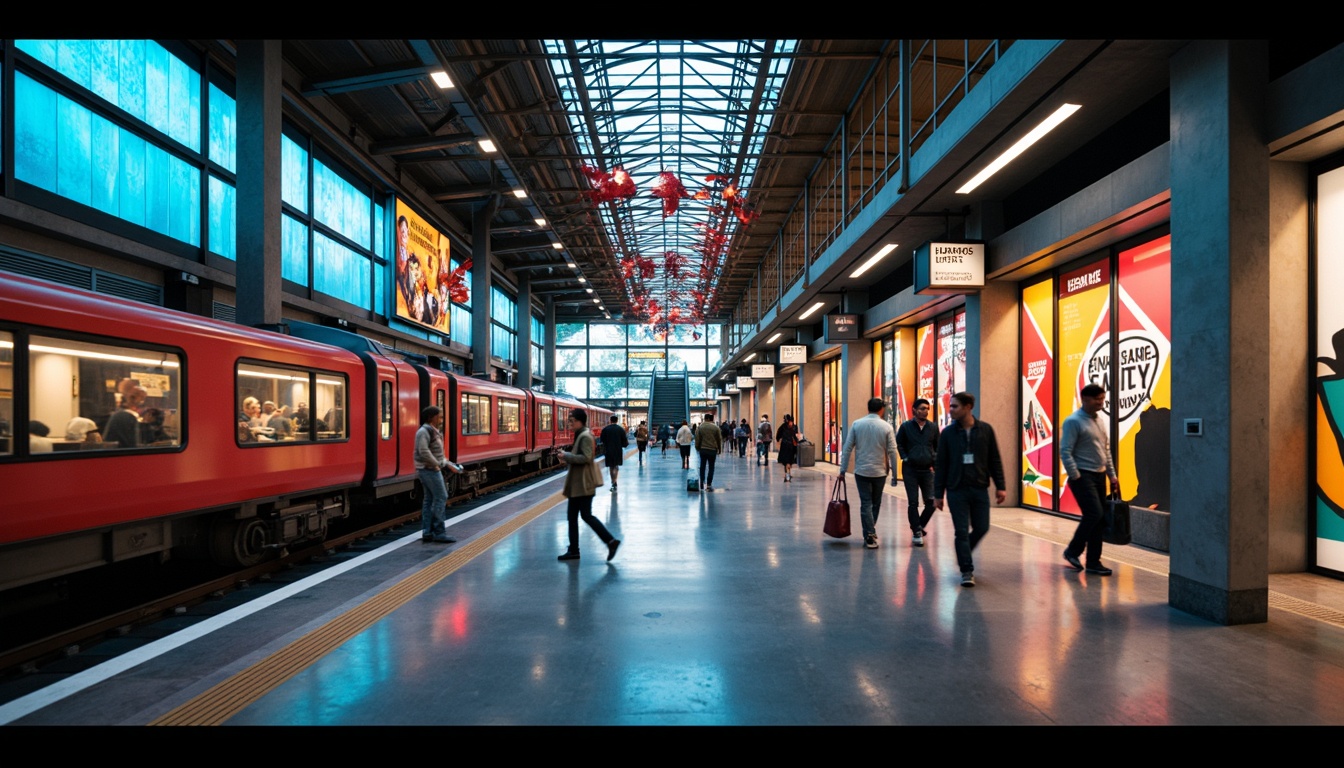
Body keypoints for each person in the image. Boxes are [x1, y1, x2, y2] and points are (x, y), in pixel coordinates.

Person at [934, 392, 1007, 588]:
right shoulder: (948, 433)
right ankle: (967, 569)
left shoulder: (985, 430)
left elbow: (995, 459)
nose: (950, 410)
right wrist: (938, 494)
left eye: (955, 406)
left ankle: (963, 552)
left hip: (979, 487)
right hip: (956, 489)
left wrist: (1001, 486)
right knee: (961, 531)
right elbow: (941, 464)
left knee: (982, 527)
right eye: (950, 406)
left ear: (968, 407)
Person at [1060, 383, 1119, 576]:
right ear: (1085, 399)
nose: (1101, 402)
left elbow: (1106, 449)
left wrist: (1112, 474)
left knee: (1099, 519)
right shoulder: (1073, 421)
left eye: (1102, 398)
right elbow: (1065, 450)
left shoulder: (1099, 421)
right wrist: (1075, 475)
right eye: (1097, 399)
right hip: (1083, 475)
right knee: (1094, 514)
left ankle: (1093, 561)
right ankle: (1072, 551)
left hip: (1099, 474)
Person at [555, 408, 620, 562]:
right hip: (580, 483)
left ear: (579, 421)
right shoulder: (582, 434)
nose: (569, 424)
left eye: (571, 421)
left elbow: (586, 457)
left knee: (583, 515)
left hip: (583, 483)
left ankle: (609, 542)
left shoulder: (584, 436)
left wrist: (566, 456)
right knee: (578, 516)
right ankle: (575, 549)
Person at [838, 397, 901, 549]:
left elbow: (847, 448)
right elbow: (893, 451)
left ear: (868, 408)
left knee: (865, 503)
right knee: (876, 502)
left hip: (861, 471)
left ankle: (869, 534)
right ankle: (870, 534)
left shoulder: (857, 424)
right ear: (881, 410)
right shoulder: (886, 427)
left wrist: (843, 470)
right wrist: (895, 474)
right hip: (880, 472)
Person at [415, 405, 463, 544]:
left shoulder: (433, 431)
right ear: (431, 417)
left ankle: (428, 532)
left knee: (429, 499)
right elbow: (423, 451)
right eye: (440, 416)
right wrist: (437, 464)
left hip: (431, 468)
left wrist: (449, 464)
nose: (442, 419)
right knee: (441, 496)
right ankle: (439, 532)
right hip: (429, 469)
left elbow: (437, 453)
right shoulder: (424, 432)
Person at [896, 398, 939, 547]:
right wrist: (905, 457)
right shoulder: (906, 426)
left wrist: (934, 462)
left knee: (932, 502)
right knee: (913, 502)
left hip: (927, 470)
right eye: (922, 408)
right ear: (914, 410)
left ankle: (918, 525)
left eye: (927, 409)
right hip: (910, 470)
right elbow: (899, 443)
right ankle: (917, 533)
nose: (925, 411)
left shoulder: (933, 427)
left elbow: (937, 446)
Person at [695, 411, 723, 491]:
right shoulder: (715, 427)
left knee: (702, 466)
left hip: (703, 450)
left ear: (704, 419)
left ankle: (701, 482)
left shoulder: (700, 427)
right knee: (711, 467)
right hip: (712, 450)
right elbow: (719, 439)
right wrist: (719, 449)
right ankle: (709, 484)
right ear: (710, 419)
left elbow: (697, 439)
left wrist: (697, 448)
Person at [600, 415, 628, 491]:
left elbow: (602, 440)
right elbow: (625, 441)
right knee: (616, 466)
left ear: (610, 420)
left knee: (611, 467)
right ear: (617, 420)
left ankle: (613, 481)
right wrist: (623, 445)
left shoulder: (605, 429)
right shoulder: (620, 429)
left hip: (608, 450)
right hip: (617, 450)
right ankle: (614, 481)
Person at [776, 414, 799, 481]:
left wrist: (778, 439)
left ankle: (787, 473)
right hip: (790, 446)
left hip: (786, 446)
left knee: (787, 461)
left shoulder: (783, 427)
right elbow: (796, 436)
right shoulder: (794, 427)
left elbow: (778, 435)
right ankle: (787, 473)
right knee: (788, 461)